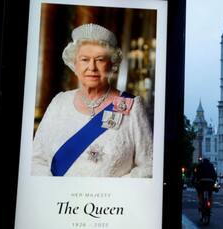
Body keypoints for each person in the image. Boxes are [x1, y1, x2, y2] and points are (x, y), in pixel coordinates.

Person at [31, 23, 153, 177]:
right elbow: (36, 160)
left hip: (111, 201)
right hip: (61, 201)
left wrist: (115, 192)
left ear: (112, 64)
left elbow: (149, 166)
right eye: (84, 59)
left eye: (100, 60)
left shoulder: (132, 106)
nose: (92, 67)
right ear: (74, 64)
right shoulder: (59, 103)